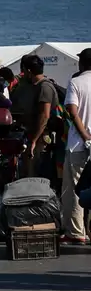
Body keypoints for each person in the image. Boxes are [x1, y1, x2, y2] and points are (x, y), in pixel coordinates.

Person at [60, 48, 91, 246]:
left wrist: (85, 135)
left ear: (83, 63)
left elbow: (72, 111)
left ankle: (76, 231)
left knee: (75, 188)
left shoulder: (76, 82)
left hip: (79, 145)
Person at [21, 55, 59, 178]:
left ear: (29, 71)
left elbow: (44, 115)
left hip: (41, 138)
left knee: (35, 174)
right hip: (35, 136)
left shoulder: (44, 87)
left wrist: (34, 141)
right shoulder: (36, 85)